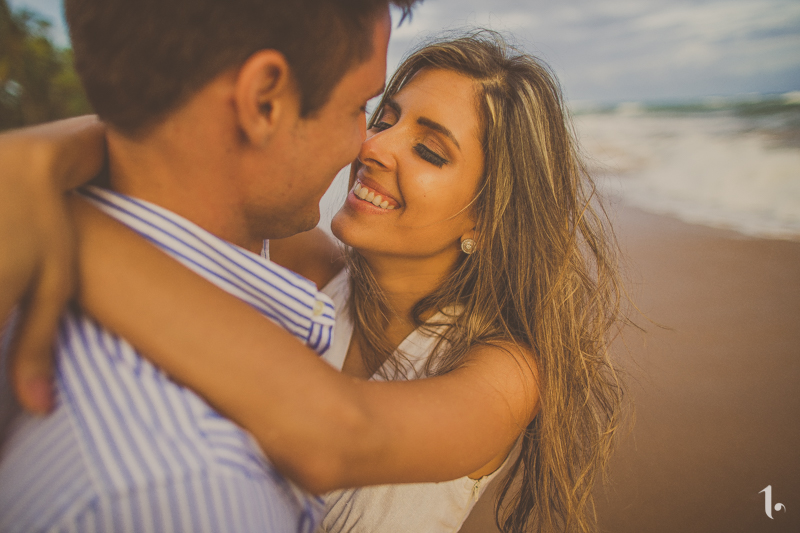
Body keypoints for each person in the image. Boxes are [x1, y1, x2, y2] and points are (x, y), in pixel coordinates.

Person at [2, 29, 626, 532]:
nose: (373, 146)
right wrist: (34, 162)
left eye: (430, 151)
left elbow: (340, 439)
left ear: (489, 221)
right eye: (382, 117)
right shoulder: (314, 267)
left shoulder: (505, 372)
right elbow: (191, 155)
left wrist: (67, 230)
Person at [0, 0, 420, 531]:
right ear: (264, 100)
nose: (367, 144)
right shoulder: (190, 494)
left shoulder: (23, 246)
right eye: (360, 105)